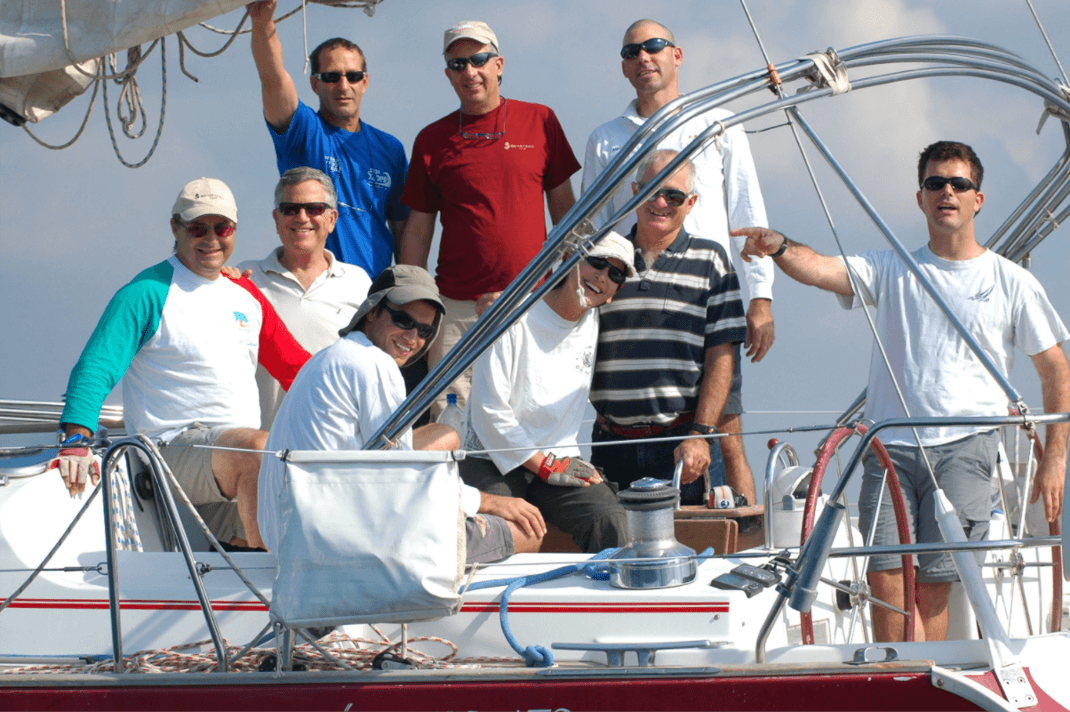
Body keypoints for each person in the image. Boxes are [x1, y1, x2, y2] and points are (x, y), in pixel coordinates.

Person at [734, 140, 1070, 642]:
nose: (947, 192)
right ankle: (896, 671)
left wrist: (1055, 458)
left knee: (934, 584)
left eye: (959, 184)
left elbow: (1057, 371)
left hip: (966, 446)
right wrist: (779, 246)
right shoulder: (891, 268)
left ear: (977, 199)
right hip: (889, 445)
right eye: (935, 183)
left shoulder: (1011, 281)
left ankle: (923, 673)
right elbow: (822, 269)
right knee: (884, 574)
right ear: (921, 197)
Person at [50, 178, 311, 550]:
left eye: (222, 228)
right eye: (198, 228)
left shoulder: (247, 294)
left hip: (230, 462)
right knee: (259, 450)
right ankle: (269, 577)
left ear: (234, 230)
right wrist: (76, 440)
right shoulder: (146, 292)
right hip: (169, 450)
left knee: (301, 481)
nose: (211, 239)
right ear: (176, 227)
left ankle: (248, 567)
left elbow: (296, 368)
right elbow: (97, 366)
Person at [583, 19, 772, 501]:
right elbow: (593, 229)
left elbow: (749, 217)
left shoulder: (718, 122)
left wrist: (761, 298)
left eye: (653, 46)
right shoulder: (605, 137)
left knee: (726, 437)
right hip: (630, 298)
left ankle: (744, 536)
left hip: (707, 297)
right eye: (631, 52)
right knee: (620, 417)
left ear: (677, 55)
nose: (643, 57)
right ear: (623, 66)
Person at [258, 265, 546, 558]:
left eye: (425, 331)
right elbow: (402, 479)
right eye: (403, 320)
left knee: (446, 435)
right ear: (372, 312)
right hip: (341, 549)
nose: (412, 337)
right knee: (526, 533)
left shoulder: (328, 356)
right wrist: (490, 502)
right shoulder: (374, 364)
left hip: (286, 542)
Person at [397, 20, 581, 416]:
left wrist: (569, 289)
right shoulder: (431, 139)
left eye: (478, 59)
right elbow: (418, 230)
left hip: (534, 301)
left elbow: (566, 211)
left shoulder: (541, 120)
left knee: (532, 413)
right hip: (457, 310)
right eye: (458, 64)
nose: (470, 71)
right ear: (449, 75)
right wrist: (412, 303)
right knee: (453, 422)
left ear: (499, 64)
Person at [589, 150, 749, 505]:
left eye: (674, 196)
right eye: (652, 191)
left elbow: (722, 357)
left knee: (697, 539)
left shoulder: (712, 261)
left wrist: (701, 434)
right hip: (610, 445)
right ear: (635, 192)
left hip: (681, 447)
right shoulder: (601, 260)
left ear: (691, 203)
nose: (661, 203)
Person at [460, 233, 636, 553]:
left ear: (616, 292)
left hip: (561, 459)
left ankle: (609, 588)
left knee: (610, 520)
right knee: (494, 535)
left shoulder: (598, 317)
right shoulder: (510, 313)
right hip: (490, 457)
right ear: (570, 260)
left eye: (615, 274)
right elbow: (489, 411)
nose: (602, 276)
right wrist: (544, 465)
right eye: (596, 262)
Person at [248, 0, 408, 278]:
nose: (344, 86)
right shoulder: (304, 132)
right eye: (332, 77)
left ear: (365, 82)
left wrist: (408, 287)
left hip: (374, 292)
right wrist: (262, 21)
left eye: (353, 76)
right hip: (315, 286)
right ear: (315, 83)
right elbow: (273, 78)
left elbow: (404, 228)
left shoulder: (390, 149)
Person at [238, 167, 372, 429]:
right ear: (276, 219)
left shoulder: (359, 283)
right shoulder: (246, 278)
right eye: (290, 209)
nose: (302, 218)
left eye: (314, 209)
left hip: (337, 439)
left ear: (332, 219)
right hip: (265, 442)